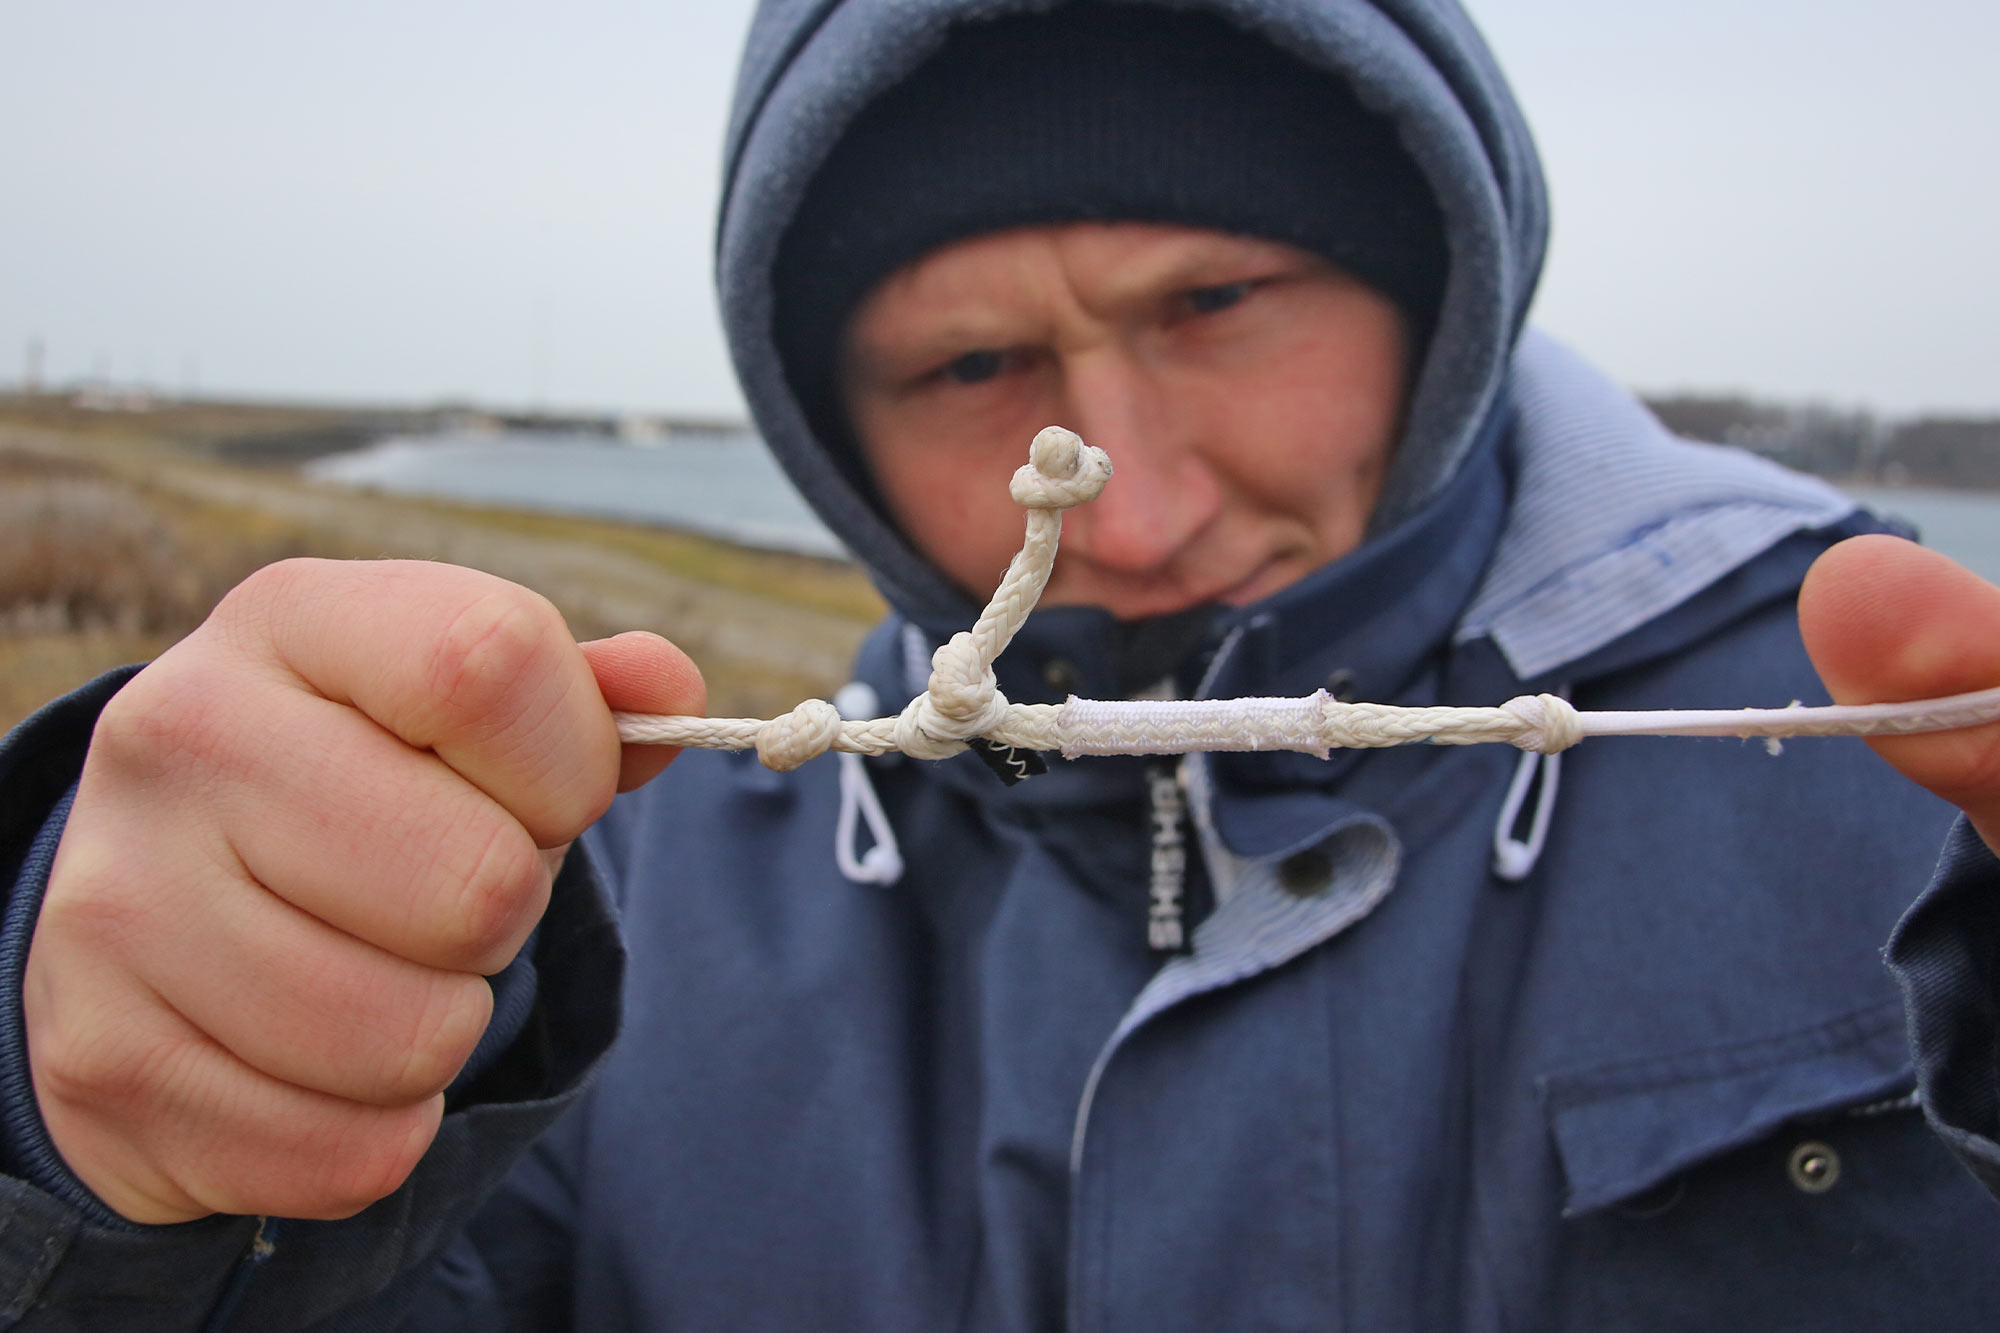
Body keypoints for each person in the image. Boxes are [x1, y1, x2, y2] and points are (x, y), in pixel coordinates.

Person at [1, 0, 1998, 1327]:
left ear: (1438, 291)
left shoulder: (1890, 749)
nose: (1124, 513)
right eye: (971, 366)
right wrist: (95, 1130)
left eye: (1214, 301)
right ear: (821, 421)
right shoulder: (607, 912)